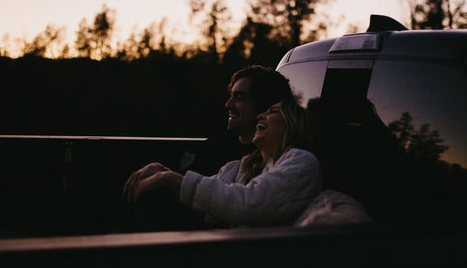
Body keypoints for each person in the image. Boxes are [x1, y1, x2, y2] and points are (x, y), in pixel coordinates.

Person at [122, 98, 322, 230]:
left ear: (292, 123)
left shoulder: (301, 162)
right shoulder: (241, 166)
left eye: (273, 112)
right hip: (221, 247)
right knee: (152, 193)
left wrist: (168, 178)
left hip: (251, 257)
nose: (261, 116)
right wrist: (161, 171)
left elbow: (247, 204)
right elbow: (204, 196)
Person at [179, 65, 296, 176]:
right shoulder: (213, 149)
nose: (228, 104)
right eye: (231, 95)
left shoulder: (285, 157)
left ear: (265, 104)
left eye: (239, 97)